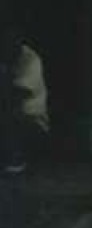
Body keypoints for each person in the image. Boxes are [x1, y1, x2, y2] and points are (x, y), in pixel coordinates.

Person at [1, 26, 49, 174]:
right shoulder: (5, 57)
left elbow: (15, 97)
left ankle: (15, 160)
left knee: (8, 112)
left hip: (33, 124)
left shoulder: (30, 59)